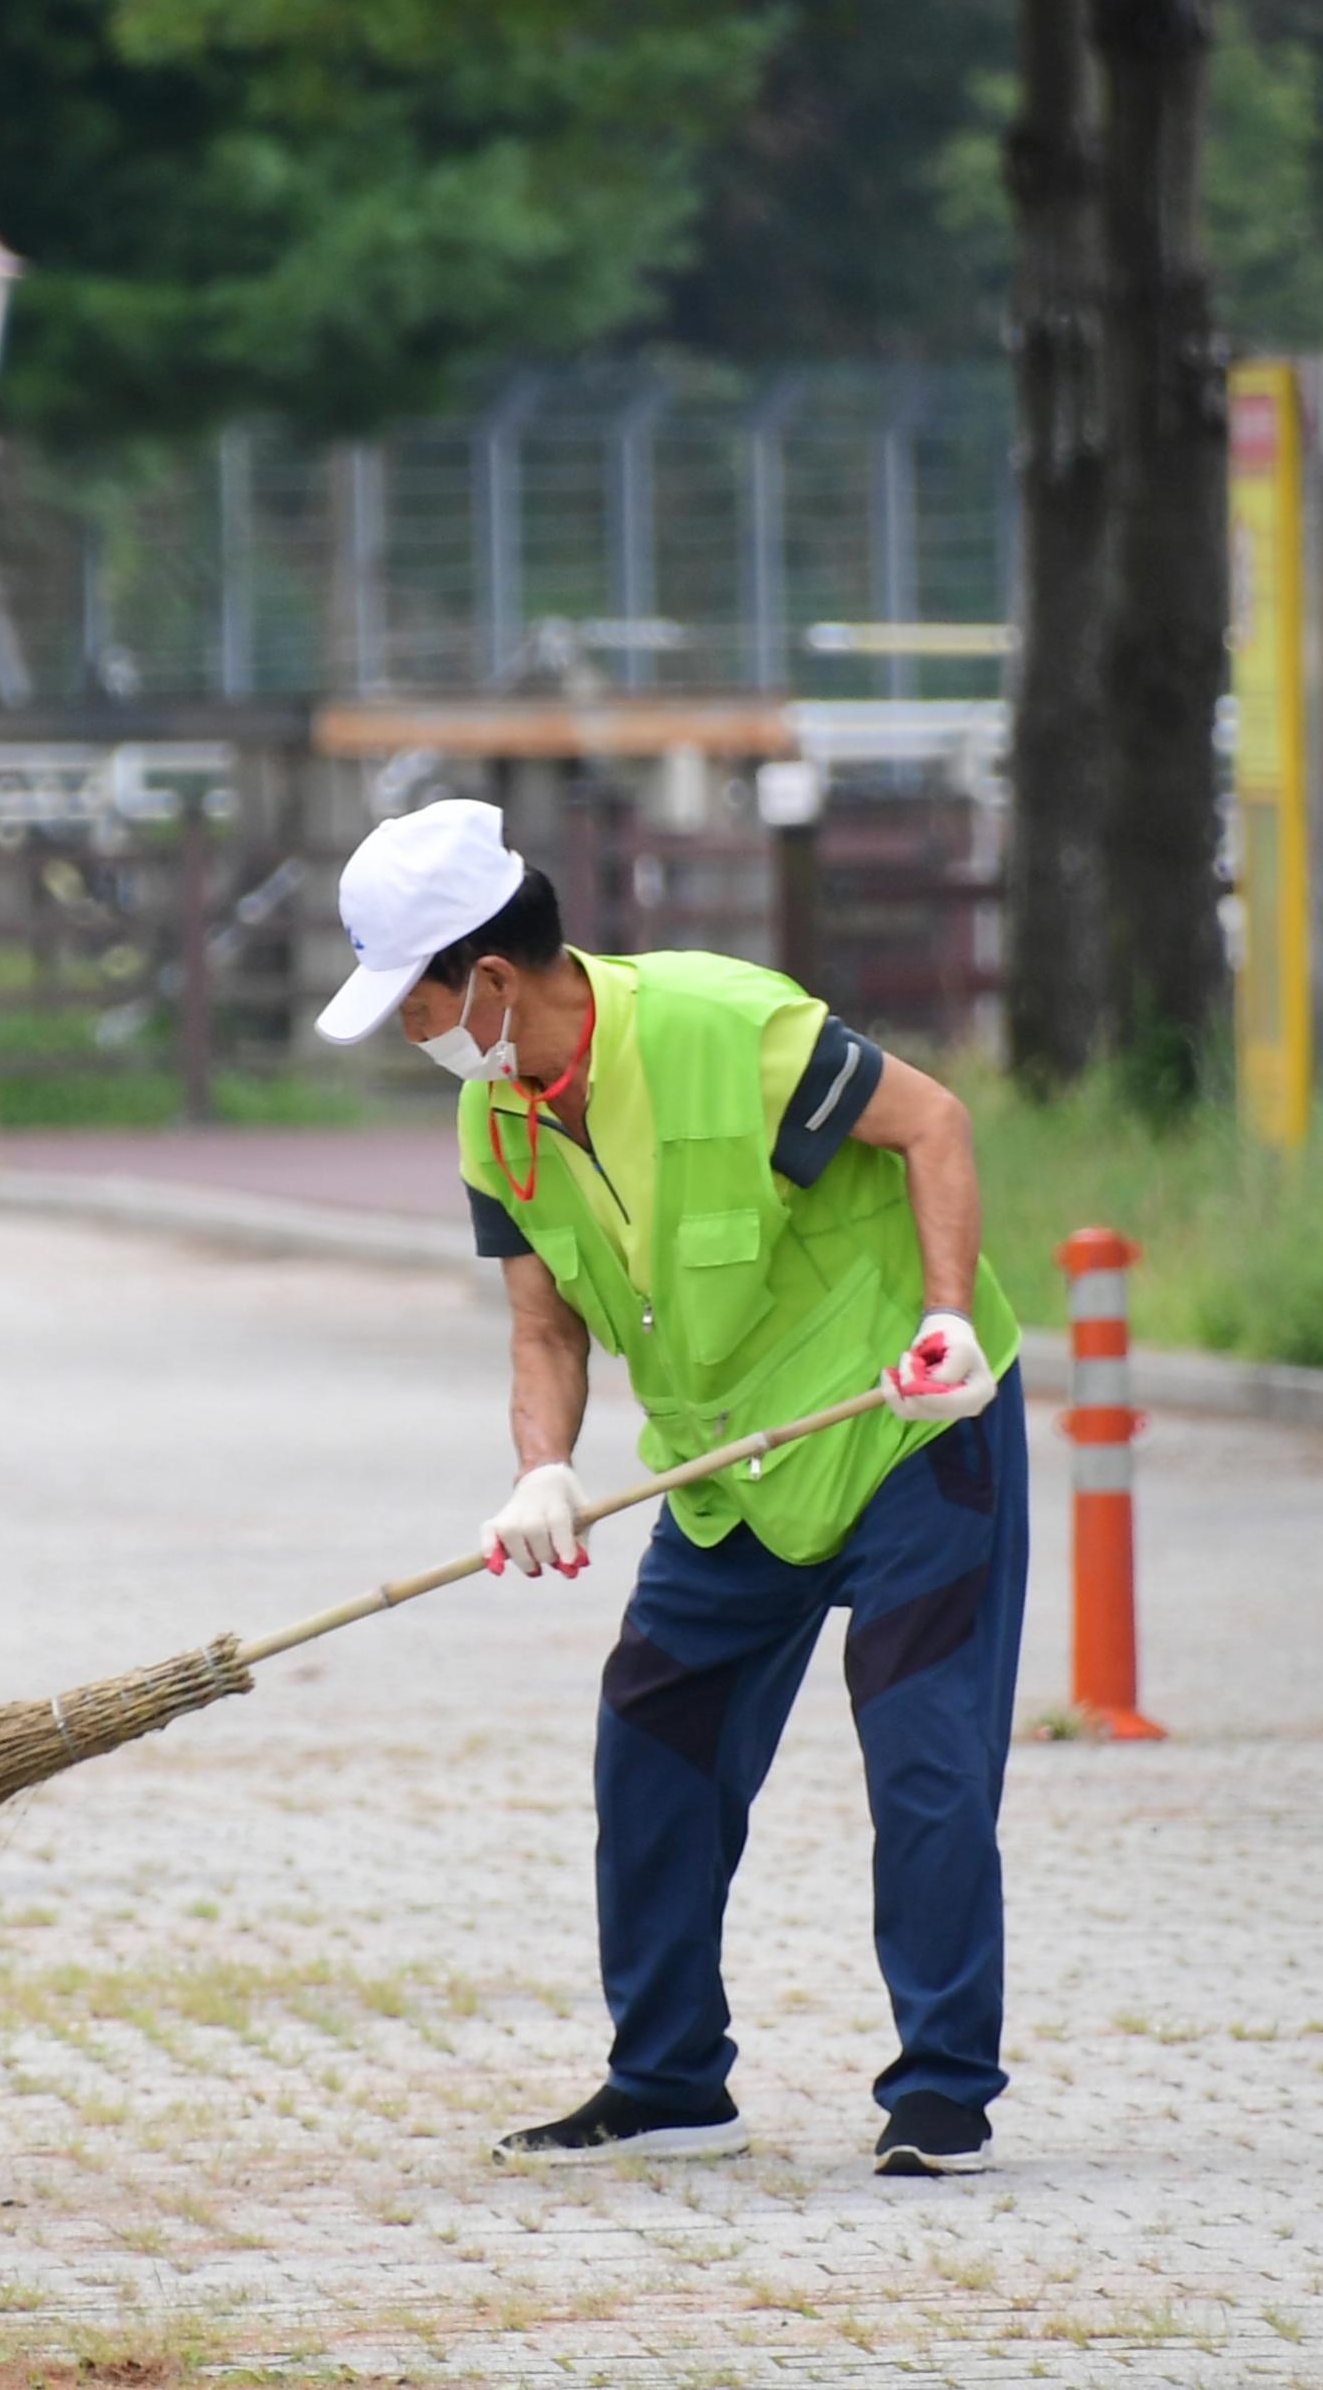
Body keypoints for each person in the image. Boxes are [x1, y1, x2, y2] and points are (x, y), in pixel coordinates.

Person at [313, 798, 1028, 2180]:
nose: (414, 1037)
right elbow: (544, 1328)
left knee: (926, 1763)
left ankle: (942, 2091)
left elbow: (934, 1125)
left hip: (904, 1431)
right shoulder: (496, 1124)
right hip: (733, 1479)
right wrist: (541, 1470)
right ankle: (670, 2083)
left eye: (413, 1004)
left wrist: (946, 1322)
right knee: (649, 1748)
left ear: (492, 981)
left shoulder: (722, 1029)